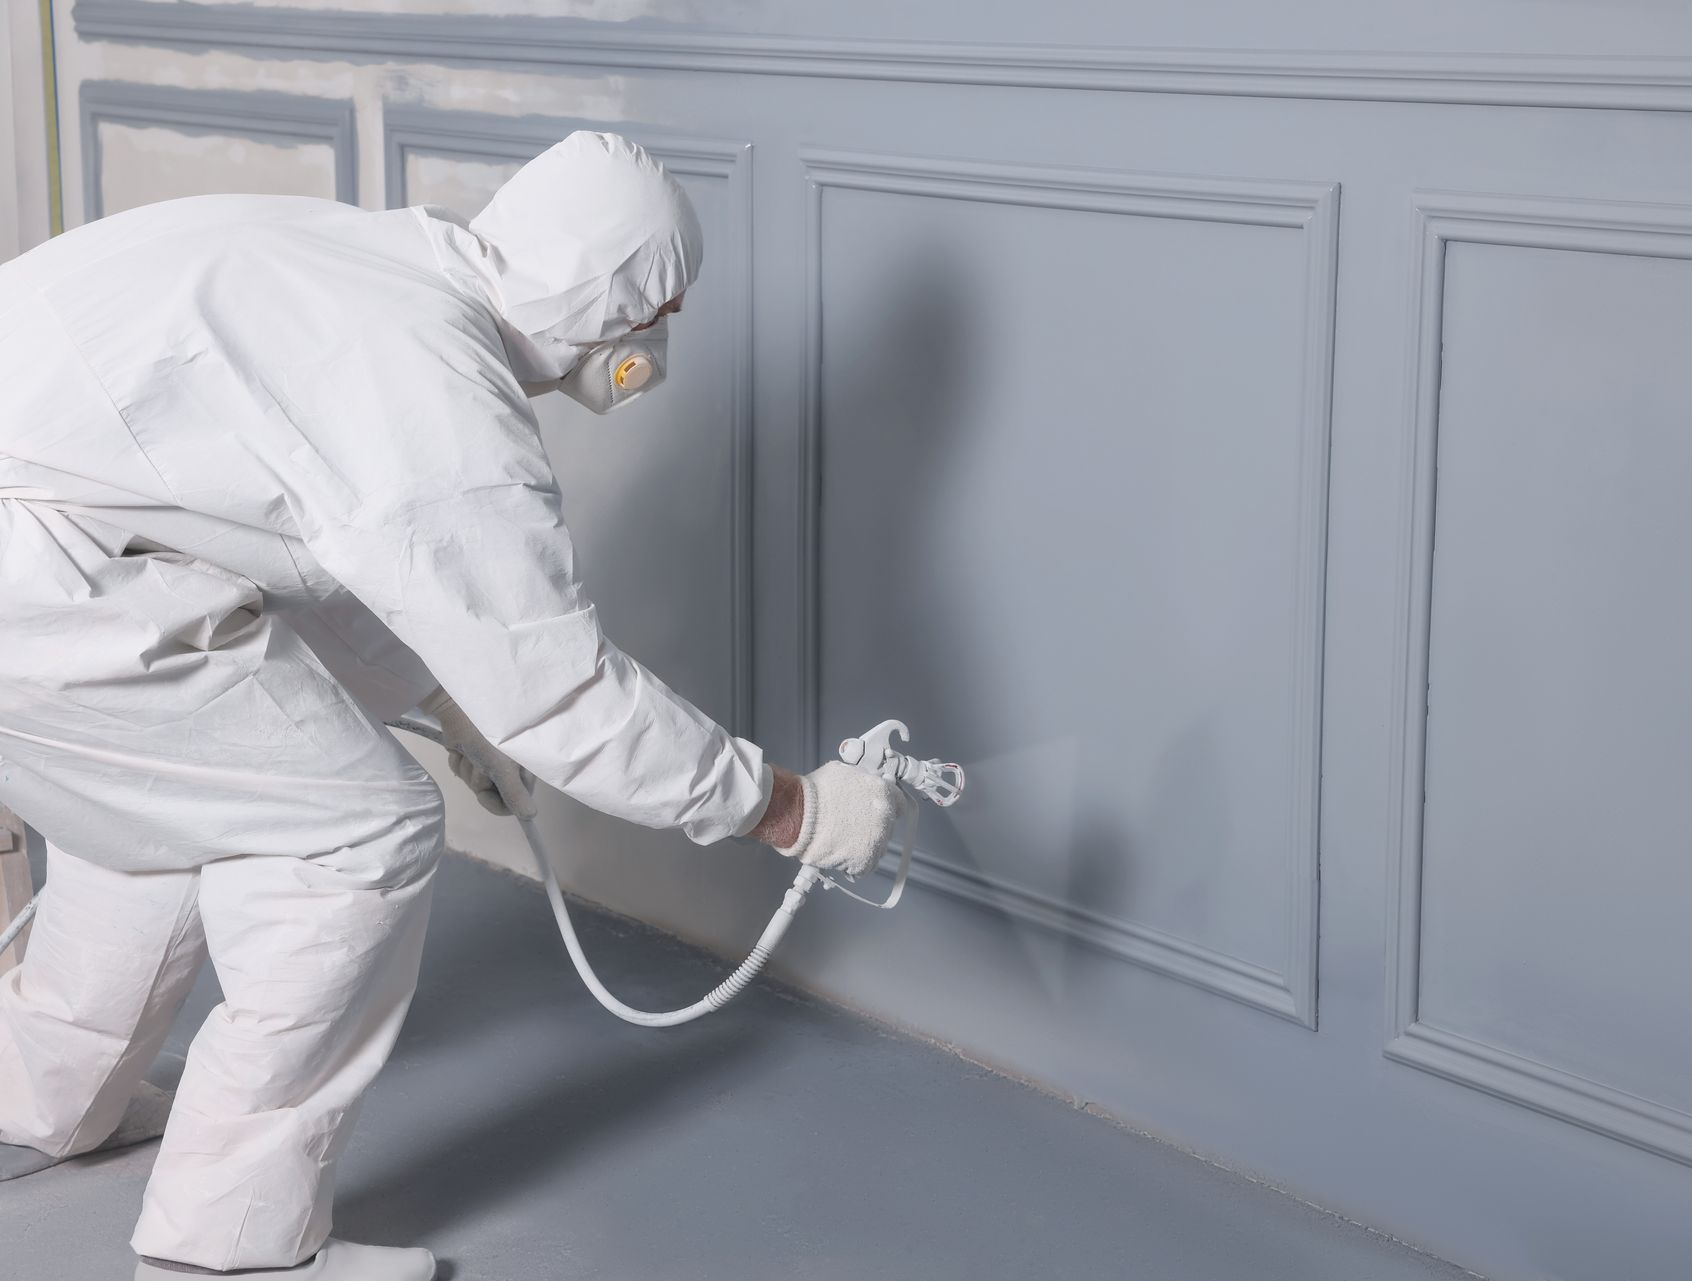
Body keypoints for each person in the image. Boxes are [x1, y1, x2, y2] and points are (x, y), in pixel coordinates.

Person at [0, 131, 907, 1280]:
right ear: (610, 301)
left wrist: (446, 696)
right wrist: (787, 810)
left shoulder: (373, 267)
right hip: (38, 581)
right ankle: (231, 1251)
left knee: (167, 801)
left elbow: (302, 539)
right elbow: (567, 694)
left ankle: (42, 1100)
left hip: (51, 553)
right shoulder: (441, 390)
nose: (661, 340)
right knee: (358, 833)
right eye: (662, 306)